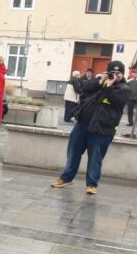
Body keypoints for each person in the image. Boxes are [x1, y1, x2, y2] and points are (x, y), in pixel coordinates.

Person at [51, 60, 132, 195]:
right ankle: (66, 178)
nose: (115, 75)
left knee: (95, 158)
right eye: (113, 72)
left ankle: (92, 184)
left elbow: (117, 101)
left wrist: (109, 86)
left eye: (118, 73)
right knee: (73, 153)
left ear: (122, 75)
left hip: (102, 129)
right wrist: (99, 81)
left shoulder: (124, 89)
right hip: (82, 124)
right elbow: (84, 88)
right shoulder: (99, 82)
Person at [126, 68, 137, 132]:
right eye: (133, 73)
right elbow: (126, 89)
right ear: (132, 74)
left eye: (136, 73)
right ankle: (130, 122)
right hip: (130, 98)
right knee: (129, 111)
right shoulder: (129, 81)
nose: (135, 74)